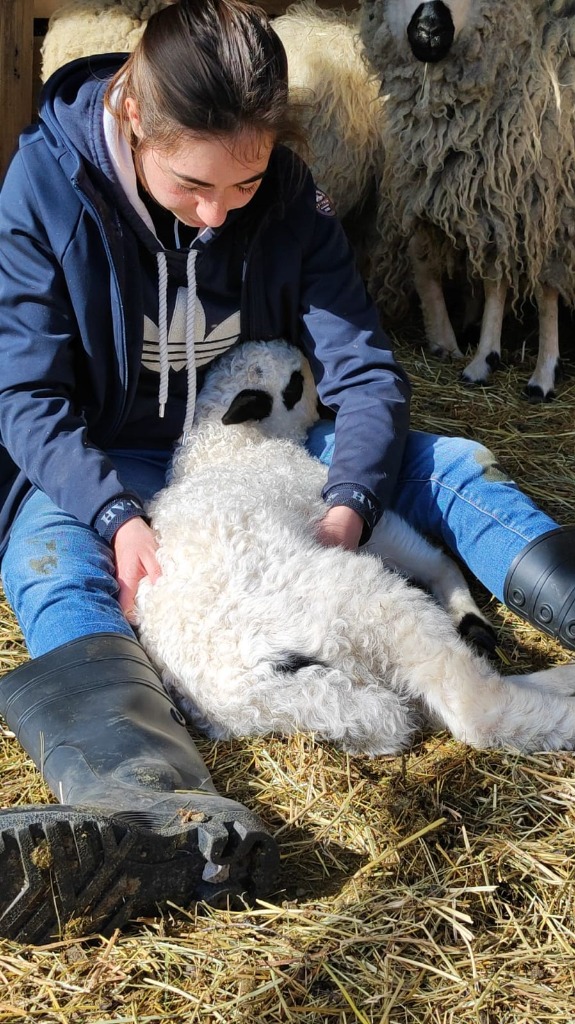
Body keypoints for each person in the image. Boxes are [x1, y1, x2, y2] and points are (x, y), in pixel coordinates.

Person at [0, 0, 572, 944]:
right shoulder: (44, 185)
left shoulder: (291, 196)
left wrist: (348, 499)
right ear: (133, 117)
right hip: (111, 463)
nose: (221, 212)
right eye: (192, 187)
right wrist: (113, 516)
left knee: (449, 464)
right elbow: (25, 397)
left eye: (246, 182)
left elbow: (364, 370)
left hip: (266, 445)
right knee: (50, 564)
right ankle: (147, 803)